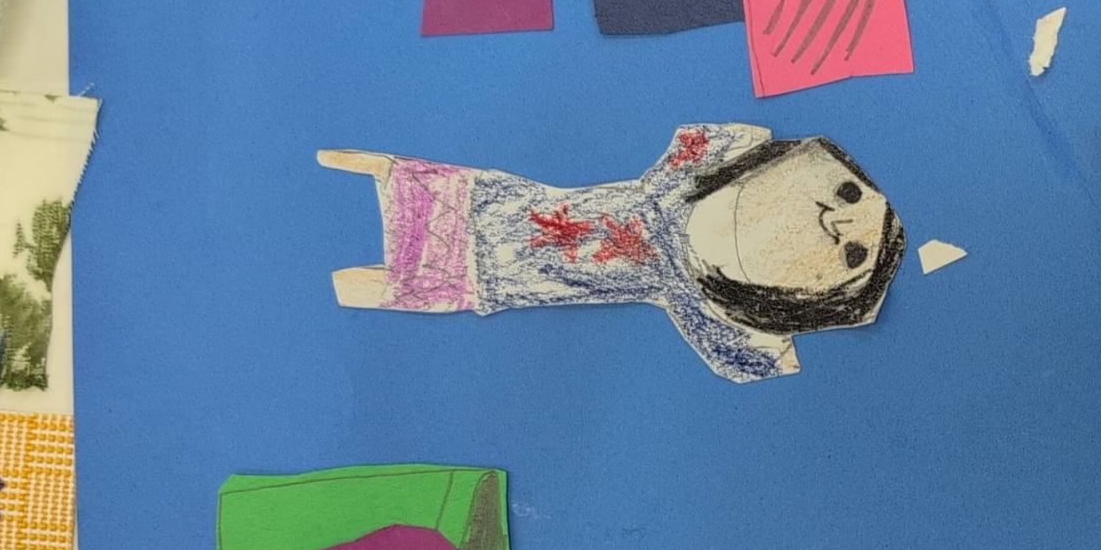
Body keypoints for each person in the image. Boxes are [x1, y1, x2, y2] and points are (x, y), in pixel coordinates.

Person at [322, 124, 906, 381]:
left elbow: (748, 356)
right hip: (491, 202)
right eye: (849, 192)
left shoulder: (724, 328)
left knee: (369, 285)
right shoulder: (707, 155)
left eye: (854, 256)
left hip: (493, 279)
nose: (836, 223)